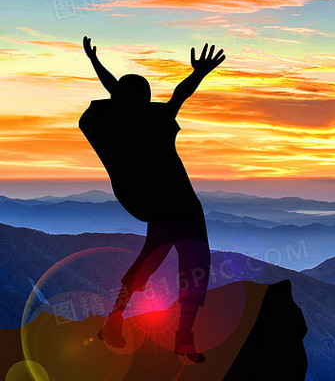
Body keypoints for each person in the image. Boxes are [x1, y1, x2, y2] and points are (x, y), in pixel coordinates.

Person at [78, 36, 225, 364]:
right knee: (194, 268)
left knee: (147, 264)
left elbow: (114, 87)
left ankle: (114, 321)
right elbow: (179, 95)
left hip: (161, 209)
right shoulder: (155, 119)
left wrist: (94, 61)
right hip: (185, 209)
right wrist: (199, 73)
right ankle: (182, 338)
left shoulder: (122, 126)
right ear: (141, 97)